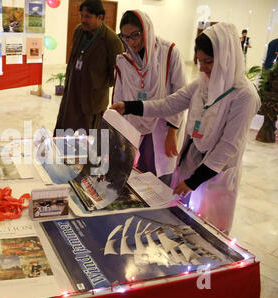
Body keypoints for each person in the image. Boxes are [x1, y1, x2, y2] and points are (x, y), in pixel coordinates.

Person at [110, 22, 260, 234]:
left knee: (208, 230)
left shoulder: (244, 95)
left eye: (208, 62)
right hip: (190, 163)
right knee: (181, 224)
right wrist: (129, 106)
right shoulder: (202, 84)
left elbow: (228, 147)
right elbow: (168, 103)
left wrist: (194, 181)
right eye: (199, 61)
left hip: (216, 176)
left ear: (227, 58)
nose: (203, 68)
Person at [113, 10, 186, 185]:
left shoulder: (168, 52)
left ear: (146, 30)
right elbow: (118, 97)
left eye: (135, 35)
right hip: (133, 125)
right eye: (126, 37)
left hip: (162, 127)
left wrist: (172, 131)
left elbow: (180, 94)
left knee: (159, 178)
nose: (132, 42)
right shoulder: (123, 60)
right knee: (134, 177)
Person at [54, 0, 124, 136]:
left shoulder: (111, 40)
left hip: (92, 101)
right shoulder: (79, 31)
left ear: (100, 17)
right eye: (81, 16)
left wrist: (95, 82)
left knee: (88, 140)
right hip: (72, 94)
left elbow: (115, 77)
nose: (83, 20)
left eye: (88, 17)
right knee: (65, 132)